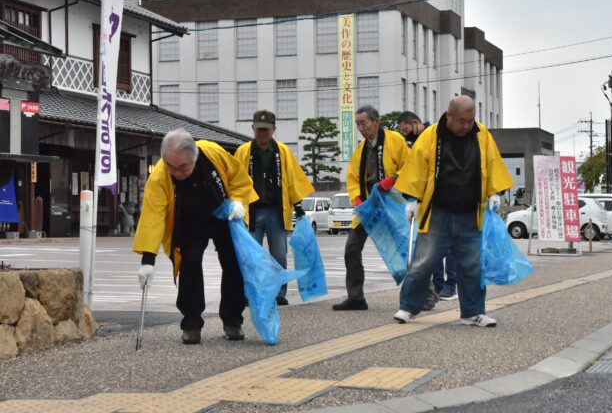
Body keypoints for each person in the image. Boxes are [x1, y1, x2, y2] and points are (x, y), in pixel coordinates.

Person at [393, 96, 513, 327]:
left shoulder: (481, 134)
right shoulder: (430, 136)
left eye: (470, 120)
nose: (466, 126)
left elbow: (491, 163)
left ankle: (473, 311)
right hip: (437, 210)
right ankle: (408, 307)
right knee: (423, 262)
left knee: (471, 264)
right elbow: (416, 169)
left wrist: (494, 193)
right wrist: (412, 200)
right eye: (461, 121)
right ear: (448, 115)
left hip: (470, 210)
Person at [133, 129, 257, 344]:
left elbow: (239, 178)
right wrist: (148, 260)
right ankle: (191, 323)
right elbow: (153, 216)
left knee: (233, 263)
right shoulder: (161, 175)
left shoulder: (213, 153)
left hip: (222, 214)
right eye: (171, 167)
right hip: (188, 221)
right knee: (189, 265)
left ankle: (233, 321)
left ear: (195, 156)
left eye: (183, 167)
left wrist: (238, 201)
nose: (177, 172)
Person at [332, 105, 410, 311]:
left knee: (404, 250)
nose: (360, 128)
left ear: (376, 122)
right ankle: (356, 297)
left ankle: (423, 294)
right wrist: (356, 198)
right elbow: (352, 178)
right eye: (357, 124)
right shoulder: (360, 150)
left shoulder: (396, 140)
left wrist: (393, 179)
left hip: (391, 205)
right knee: (351, 250)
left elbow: (409, 166)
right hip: (368, 207)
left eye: (363, 123)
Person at [234, 109, 314, 306]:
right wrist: (235, 205)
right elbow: (235, 181)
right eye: (259, 130)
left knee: (279, 254)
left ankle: (279, 292)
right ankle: (248, 292)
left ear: (274, 129)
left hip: (276, 211)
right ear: (253, 129)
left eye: (266, 130)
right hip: (251, 212)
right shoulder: (243, 151)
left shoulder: (283, 151)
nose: (263, 134)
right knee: (250, 255)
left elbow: (292, 181)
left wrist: (298, 206)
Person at [397, 111, 457, 302]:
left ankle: (450, 284)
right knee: (433, 244)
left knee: (448, 245)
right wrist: (412, 198)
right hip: (427, 201)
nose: (405, 135)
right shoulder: (417, 142)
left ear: (415, 122)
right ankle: (438, 285)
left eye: (406, 130)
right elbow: (415, 172)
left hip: (446, 196)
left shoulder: (435, 135)